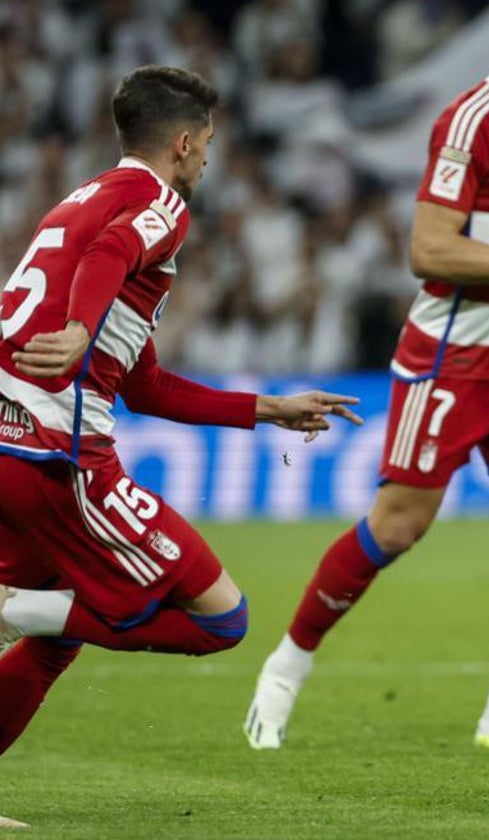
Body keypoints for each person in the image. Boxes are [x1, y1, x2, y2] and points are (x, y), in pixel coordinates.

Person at [0, 65, 362, 828]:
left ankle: (22, 609)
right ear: (187, 141)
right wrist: (75, 330)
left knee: (54, 638)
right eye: (208, 146)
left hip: (10, 443)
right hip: (56, 458)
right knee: (220, 618)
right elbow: (106, 258)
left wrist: (268, 408)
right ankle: (14, 607)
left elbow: (146, 387)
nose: (208, 161)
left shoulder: (81, 196)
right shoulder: (158, 204)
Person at [245, 0, 489, 750]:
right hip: (452, 360)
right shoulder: (468, 122)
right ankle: (287, 663)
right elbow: (430, 253)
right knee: (399, 527)